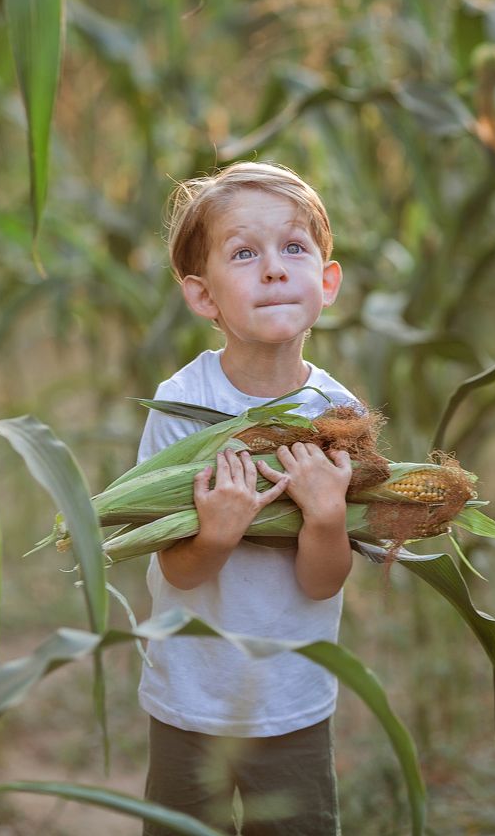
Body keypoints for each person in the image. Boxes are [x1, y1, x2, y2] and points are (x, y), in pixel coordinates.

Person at [138, 161, 359, 836]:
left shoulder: (338, 412)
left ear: (326, 283)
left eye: (294, 247)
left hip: (292, 700)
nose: (272, 269)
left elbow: (325, 582)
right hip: (190, 699)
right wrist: (216, 535)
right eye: (244, 253)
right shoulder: (182, 407)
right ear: (204, 297)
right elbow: (176, 568)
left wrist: (325, 520)